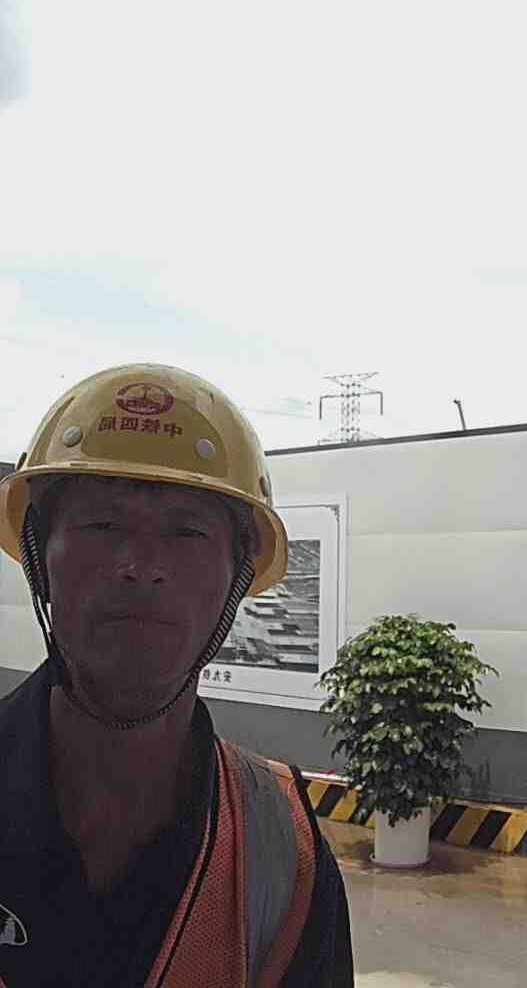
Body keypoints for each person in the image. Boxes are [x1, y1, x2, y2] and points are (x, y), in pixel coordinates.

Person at [0, 364, 354, 987]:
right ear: (39, 556)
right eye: (102, 524)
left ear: (237, 580)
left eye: (187, 531)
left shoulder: (283, 851)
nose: (141, 566)